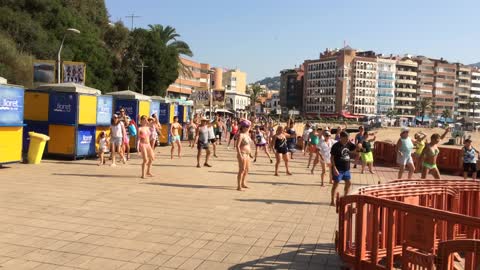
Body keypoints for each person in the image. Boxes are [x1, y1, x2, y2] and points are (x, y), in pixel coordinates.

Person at [330, 131, 357, 206]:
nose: (348, 140)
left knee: (348, 183)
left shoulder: (349, 143)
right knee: (336, 184)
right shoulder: (336, 146)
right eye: (346, 138)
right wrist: (334, 168)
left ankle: (345, 198)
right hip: (338, 168)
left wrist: (360, 146)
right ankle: (332, 201)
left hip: (346, 169)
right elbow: (332, 158)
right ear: (341, 138)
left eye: (348, 138)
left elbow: (356, 149)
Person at [236, 120, 252, 191]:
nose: (248, 127)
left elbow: (250, 123)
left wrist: (250, 153)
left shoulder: (247, 134)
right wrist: (239, 155)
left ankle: (243, 183)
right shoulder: (241, 135)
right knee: (242, 170)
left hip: (247, 154)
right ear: (242, 127)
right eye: (246, 126)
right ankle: (239, 186)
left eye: (248, 126)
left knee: (247, 170)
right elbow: (237, 146)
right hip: (242, 153)